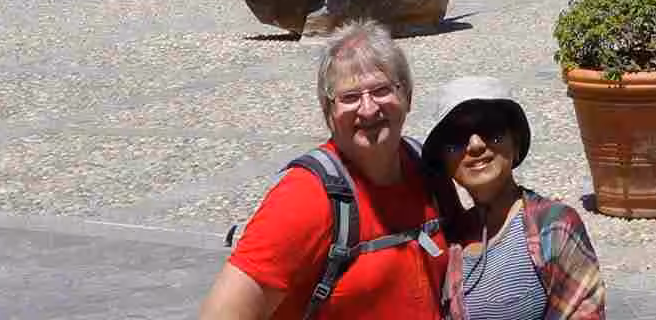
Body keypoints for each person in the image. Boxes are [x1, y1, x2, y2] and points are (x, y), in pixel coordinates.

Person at [200, 20, 446, 320]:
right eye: (350, 97)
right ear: (328, 112)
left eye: (381, 90)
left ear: (407, 96)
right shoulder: (305, 196)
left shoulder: (427, 169)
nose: (368, 109)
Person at [422, 78, 605, 320]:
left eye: (491, 131)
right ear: (444, 163)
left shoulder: (554, 226)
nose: (476, 145)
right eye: (456, 138)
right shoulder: (449, 241)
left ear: (515, 143)